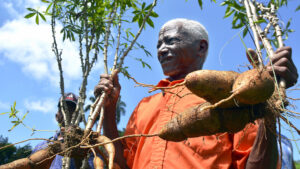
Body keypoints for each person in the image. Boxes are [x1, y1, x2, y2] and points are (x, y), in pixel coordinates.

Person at [94, 18, 298, 169]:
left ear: (201, 47)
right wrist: (109, 110)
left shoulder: (233, 96)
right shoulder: (144, 106)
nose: (161, 50)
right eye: (158, 44)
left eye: (170, 41)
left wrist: (268, 106)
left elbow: (255, 165)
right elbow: (120, 163)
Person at [32, 92, 95, 169]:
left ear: (81, 118)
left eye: (73, 110)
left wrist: (79, 156)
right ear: (56, 116)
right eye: (64, 109)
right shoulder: (41, 147)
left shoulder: (90, 147)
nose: (68, 113)